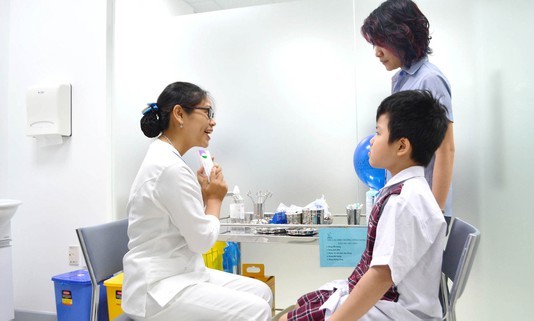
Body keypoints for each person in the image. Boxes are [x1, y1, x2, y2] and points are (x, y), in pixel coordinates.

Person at [280, 90, 448, 321]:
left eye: (378, 132)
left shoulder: (403, 201)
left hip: (392, 311)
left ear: (401, 147)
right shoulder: (407, 191)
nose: (371, 140)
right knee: (290, 312)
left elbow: (381, 276)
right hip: (385, 303)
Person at [122, 81, 273, 321]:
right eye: (208, 113)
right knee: (257, 309)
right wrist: (214, 200)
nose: (213, 122)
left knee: (262, 292)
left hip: (180, 275)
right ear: (179, 114)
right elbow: (202, 241)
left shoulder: (166, 159)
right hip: (158, 289)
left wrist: (200, 196)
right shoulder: (169, 168)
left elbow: (182, 222)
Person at [361, 0, 455, 218]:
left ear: (401, 37)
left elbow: (446, 149)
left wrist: (435, 215)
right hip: (407, 204)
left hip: (424, 211)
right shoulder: (403, 80)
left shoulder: (429, 80)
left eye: (381, 43)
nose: (377, 53)